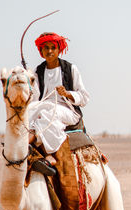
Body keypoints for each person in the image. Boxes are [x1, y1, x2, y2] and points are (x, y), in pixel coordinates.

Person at [29, 32, 90, 175]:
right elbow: (35, 98)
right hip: (43, 107)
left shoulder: (70, 69)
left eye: (52, 47)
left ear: (58, 49)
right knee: (28, 115)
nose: (49, 51)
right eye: (46, 48)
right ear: (41, 51)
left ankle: (49, 156)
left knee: (50, 114)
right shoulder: (38, 71)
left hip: (67, 110)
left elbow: (85, 97)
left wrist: (67, 94)